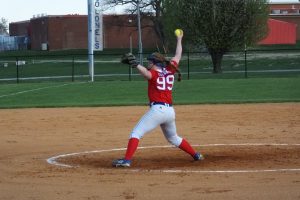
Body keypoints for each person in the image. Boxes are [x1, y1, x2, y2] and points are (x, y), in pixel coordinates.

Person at [113, 32, 204, 167]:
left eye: (150, 61)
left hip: (157, 110)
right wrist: (179, 39)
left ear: (154, 63)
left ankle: (126, 160)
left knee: (136, 133)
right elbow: (178, 55)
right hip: (169, 112)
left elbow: (146, 73)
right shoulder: (170, 70)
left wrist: (136, 65)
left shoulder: (154, 73)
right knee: (173, 138)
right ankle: (196, 155)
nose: (148, 63)